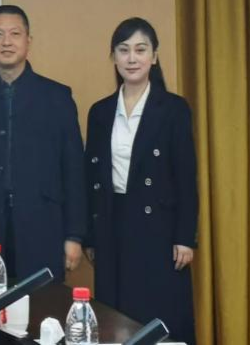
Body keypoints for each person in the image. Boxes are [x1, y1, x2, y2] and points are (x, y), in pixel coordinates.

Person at [84, 18, 197, 344]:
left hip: (159, 229)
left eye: (140, 50)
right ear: (114, 57)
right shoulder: (100, 112)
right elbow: (92, 178)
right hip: (112, 224)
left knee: (159, 314)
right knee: (116, 315)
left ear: (154, 56)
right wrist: (91, 235)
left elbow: (185, 175)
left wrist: (185, 237)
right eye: (123, 50)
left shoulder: (173, 109)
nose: (132, 58)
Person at [0, 5, 87, 282]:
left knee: (42, 305)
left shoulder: (57, 97)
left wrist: (74, 235)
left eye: (15, 34)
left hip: (43, 227)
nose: (6, 42)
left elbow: (74, 169)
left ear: (29, 41)